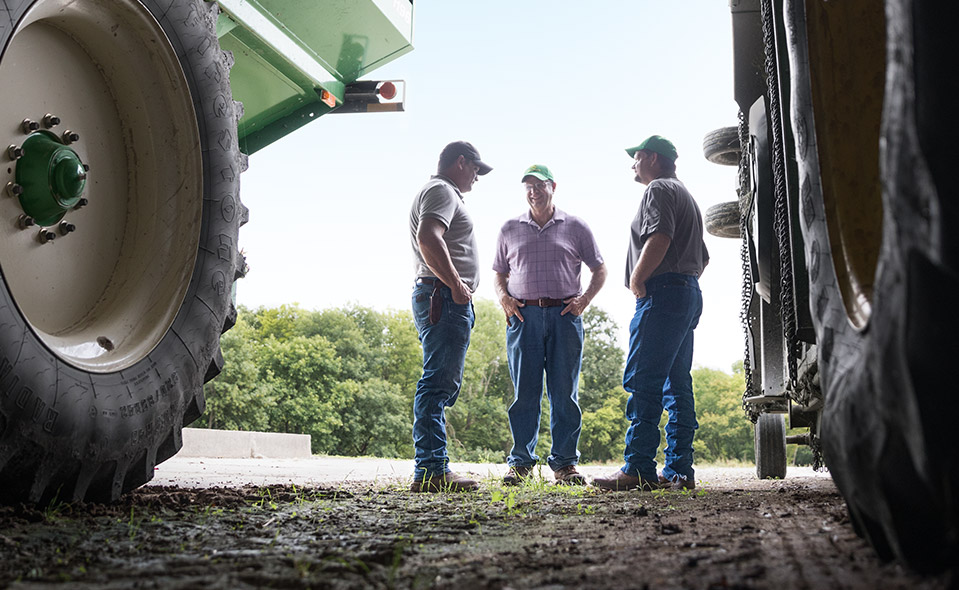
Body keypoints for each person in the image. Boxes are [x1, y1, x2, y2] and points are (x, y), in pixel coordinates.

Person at [592, 136, 709, 492]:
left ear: (654, 159)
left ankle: (639, 466)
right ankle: (679, 470)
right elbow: (703, 258)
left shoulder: (658, 188)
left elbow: (659, 236)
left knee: (643, 379)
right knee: (677, 383)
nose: (633, 164)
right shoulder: (685, 194)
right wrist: (681, 281)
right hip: (686, 293)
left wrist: (638, 278)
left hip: (662, 295)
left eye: (637, 157)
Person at [493, 164, 607, 486]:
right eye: (528, 186)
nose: (533, 191)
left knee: (564, 393)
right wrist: (504, 298)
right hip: (523, 318)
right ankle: (521, 463)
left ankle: (565, 464)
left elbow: (600, 269)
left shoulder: (576, 226)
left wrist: (584, 301)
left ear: (552, 186)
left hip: (564, 317)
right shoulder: (509, 228)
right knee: (524, 394)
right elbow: (499, 273)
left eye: (539, 185)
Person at [408, 140, 492, 492]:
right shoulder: (442, 191)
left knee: (441, 382)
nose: (476, 176)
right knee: (437, 382)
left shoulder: (441, 192)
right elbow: (429, 236)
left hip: (441, 295)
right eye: (475, 169)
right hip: (443, 296)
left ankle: (432, 466)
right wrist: (456, 284)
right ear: (461, 162)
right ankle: (430, 469)